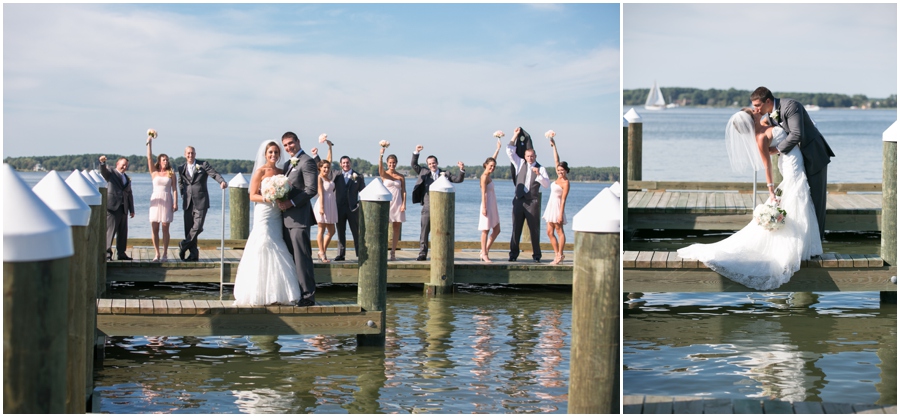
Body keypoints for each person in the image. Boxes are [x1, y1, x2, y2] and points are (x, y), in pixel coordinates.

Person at [678, 109, 823, 290]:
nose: (757, 111)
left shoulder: (765, 122)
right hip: (790, 164)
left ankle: (805, 247)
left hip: (791, 158)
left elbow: (781, 138)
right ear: (750, 120)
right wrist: (771, 191)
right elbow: (767, 166)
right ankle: (799, 249)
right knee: (797, 197)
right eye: (753, 112)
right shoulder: (760, 138)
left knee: (798, 198)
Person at [750, 86, 834, 241]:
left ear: (767, 101)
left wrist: (775, 149)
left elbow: (797, 133)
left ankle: (817, 242)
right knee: (800, 200)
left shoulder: (791, 106)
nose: (755, 108)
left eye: (757, 105)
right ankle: (800, 240)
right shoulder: (768, 115)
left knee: (816, 201)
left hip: (813, 155)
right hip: (795, 160)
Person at [233, 140, 302, 306]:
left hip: (276, 214)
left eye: (276, 152)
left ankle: (278, 292)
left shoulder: (282, 172)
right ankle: (258, 292)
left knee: (277, 245)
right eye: (270, 152)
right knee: (263, 243)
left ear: (279, 155)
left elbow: (286, 191)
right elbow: (252, 196)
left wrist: (281, 194)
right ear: (265, 154)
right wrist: (268, 197)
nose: (273, 155)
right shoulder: (260, 171)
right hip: (263, 213)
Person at [277, 132, 318, 306]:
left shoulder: (307, 161)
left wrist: (291, 203)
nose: (288, 147)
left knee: (302, 258)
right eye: (285, 145)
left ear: (298, 141)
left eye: (291, 143)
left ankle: (308, 296)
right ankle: (295, 292)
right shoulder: (287, 164)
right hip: (285, 219)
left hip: (300, 219)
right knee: (291, 258)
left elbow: (311, 189)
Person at [410, 145, 465, 261]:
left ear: (437, 163)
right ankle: (422, 254)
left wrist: (461, 170)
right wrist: (416, 152)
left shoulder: (445, 174)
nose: (432, 165)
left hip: (441, 208)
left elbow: (458, 180)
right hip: (428, 207)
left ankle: (440, 253)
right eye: (429, 164)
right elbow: (414, 165)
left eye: (433, 163)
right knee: (424, 231)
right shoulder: (424, 172)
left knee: (442, 230)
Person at [313, 143, 366, 261]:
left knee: (356, 232)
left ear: (350, 163)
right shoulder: (335, 175)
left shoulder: (359, 176)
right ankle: (341, 254)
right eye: (343, 163)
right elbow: (324, 166)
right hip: (337, 208)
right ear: (341, 164)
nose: (345, 165)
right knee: (340, 232)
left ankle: (359, 254)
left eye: (347, 163)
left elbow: (363, 192)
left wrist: (359, 206)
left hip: (353, 209)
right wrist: (316, 155)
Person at [506, 127, 550, 262]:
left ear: (535, 156)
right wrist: (514, 135)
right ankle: (513, 255)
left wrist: (538, 175)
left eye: (532, 156)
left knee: (534, 230)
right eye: (528, 156)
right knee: (516, 229)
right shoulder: (520, 163)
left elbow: (547, 184)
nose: (530, 158)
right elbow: (509, 150)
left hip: (532, 202)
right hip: (519, 200)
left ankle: (536, 256)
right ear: (525, 156)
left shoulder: (541, 168)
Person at [177, 146, 227, 261]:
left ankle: (184, 245)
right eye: (188, 153)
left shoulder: (203, 165)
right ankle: (193, 254)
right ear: (185, 154)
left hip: (201, 200)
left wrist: (222, 181)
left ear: (195, 154)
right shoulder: (181, 168)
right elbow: (181, 183)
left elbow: (214, 174)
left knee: (198, 227)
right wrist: (183, 195)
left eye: (192, 153)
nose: (190, 155)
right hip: (188, 202)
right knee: (189, 228)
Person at [146, 135, 178, 262]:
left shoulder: (171, 173)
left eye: (167, 160)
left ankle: (165, 253)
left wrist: (175, 203)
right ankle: (157, 253)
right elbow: (149, 158)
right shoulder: (154, 172)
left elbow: (174, 189)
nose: (165, 161)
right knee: (154, 226)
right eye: (163, 160)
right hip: (156, 198)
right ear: (159, 161)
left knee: (165, 226)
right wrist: (149, 143)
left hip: (167, 198)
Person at [99, 155, 135, 261]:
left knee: (123, 232)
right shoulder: (111, 173)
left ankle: (121, 253)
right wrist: (102, 163)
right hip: (112, 207)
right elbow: (103, 171)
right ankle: (107, 254)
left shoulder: (127, 178)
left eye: (126, 166)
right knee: (110, 231)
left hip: (124, 208)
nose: (125, 167)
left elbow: (129, 194)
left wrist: (132, 209)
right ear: (117, 164)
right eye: (123, 165)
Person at [543, 137, 570, 265]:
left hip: (558, 207)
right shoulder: (557, 177)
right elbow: (556, 160)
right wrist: (554, 146)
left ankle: (560, 254)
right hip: (550, 206)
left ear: (566, 171)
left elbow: (564, 200)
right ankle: (556, 254)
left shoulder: (566, 183)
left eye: (562, 170)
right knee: (549, 232)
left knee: (559, 231)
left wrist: (560, 214)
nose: (560, 172)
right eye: (558, 170)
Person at [311, 140, 338, 263]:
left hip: (331, 204)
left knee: (332, 231)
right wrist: (321, 208)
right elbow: (321, 193)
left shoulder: (328, 177)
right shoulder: (320, 177)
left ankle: (322, 251)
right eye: (324, 167)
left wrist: (329, 147)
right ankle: (322, 254)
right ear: (320, 168)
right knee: (321, 230)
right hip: (323, 204)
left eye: (328, 167)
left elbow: (329, 159)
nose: (327, 169)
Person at [379, 147, 406, 261]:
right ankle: (382, 250)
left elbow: (403, 191)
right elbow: (380, 169)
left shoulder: (400, 176)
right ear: (387, 163)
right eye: (390, 163)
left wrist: (404, 204)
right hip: (387, 203)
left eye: (394, 162)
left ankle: (393, 252)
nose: (392, 164)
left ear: (396, 163)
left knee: (396, 228)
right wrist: (380, 155)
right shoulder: (384, 174)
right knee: (383, 227)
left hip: (398, 202)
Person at [477, 139, 502, 262]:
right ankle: (485, 254)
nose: (492, 168)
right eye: (490, 166)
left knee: (497, 229)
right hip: (487, 204)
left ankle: (484, 251)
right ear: (485, 165)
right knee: (485, 230)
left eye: (494, 166)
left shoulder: (489, 173)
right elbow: (483, 193)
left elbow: (492, 159)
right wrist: (484, 207)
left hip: (493, 205)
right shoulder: (484, 177)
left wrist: (497, 149)